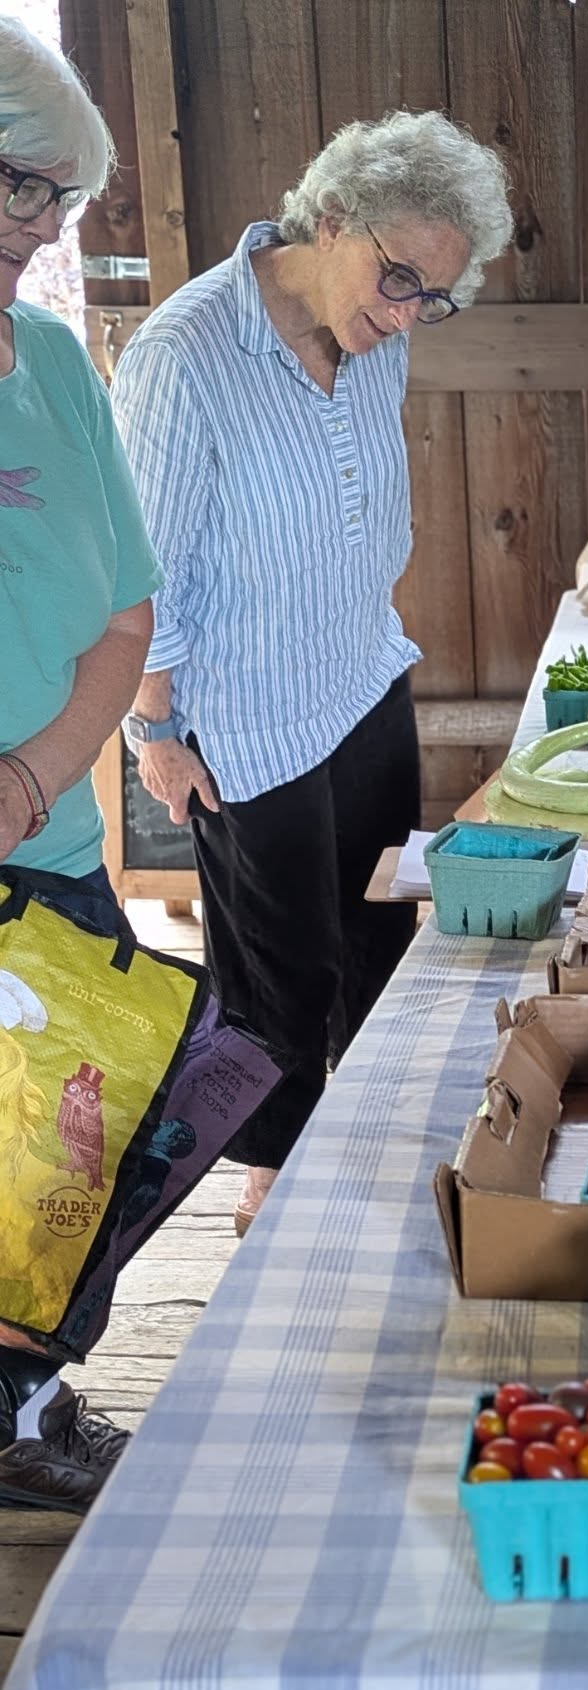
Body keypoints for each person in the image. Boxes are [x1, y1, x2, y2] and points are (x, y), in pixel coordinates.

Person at [112, 113, 512, 1236]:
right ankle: (272, 1187)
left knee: (382, 933)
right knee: (279, 980)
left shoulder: (378, 334)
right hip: (245, 717)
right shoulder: (185, 356)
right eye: (396, 282)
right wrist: (155, 730)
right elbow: (143, 568)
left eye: (433, 298)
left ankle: (379, 1155)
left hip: (361, 676)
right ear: (329, 219)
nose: (405, 317)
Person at [0, 16, 162, 1508]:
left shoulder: (50, 352)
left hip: (40, 849)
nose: (37, 230)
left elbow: (125, 611)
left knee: (85, 1155)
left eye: (54, 197)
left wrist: (35, 776)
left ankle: (26, 1400)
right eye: (15, 186)